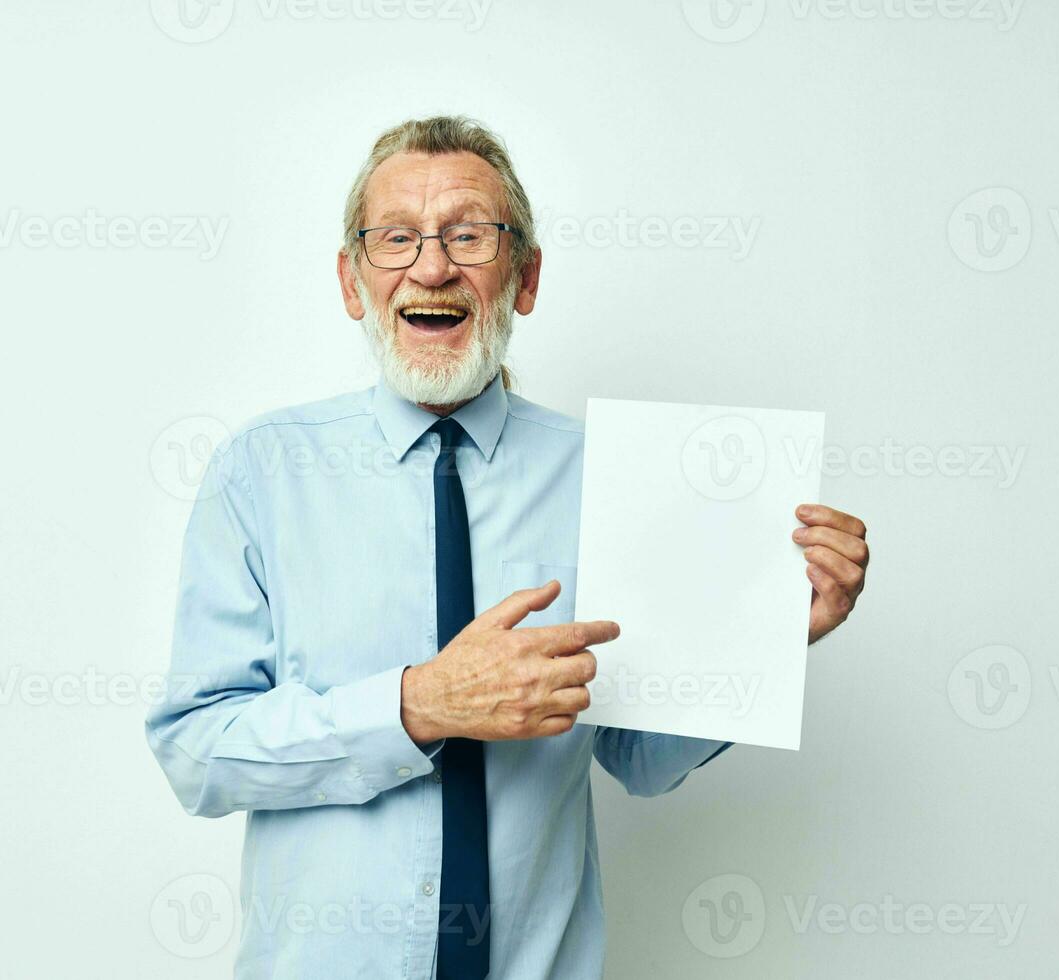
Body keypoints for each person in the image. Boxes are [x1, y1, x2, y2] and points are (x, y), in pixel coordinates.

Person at [145, 115, 871, 980]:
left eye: (468, 234)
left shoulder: (610, 478)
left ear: (524, 277)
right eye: (396, 238)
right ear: (351, 281)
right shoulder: (261, 473)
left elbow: (637, 756)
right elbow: (198, 750)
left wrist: (768, 634)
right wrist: (418, 706)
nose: (432, 264)